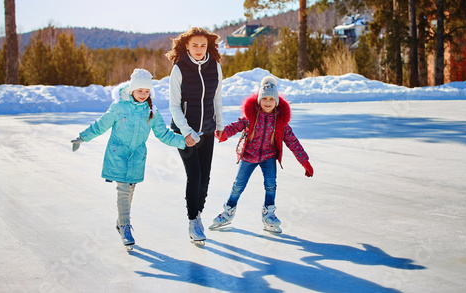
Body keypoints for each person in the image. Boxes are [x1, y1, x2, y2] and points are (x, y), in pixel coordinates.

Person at [70, 68, 186, 249]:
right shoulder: (119, 107)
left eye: (147, 91)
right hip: (118, 154)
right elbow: (101, 125)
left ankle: (121, 220)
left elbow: (163, 134)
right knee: (123, 189)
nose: (143, 94)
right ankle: (125, 226)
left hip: (137, 156)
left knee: (130, 189)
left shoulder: (151, 112)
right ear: (132, 89)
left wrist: (184, 142)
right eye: (140, 90)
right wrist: (83, 137)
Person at [210, 76, 314, 233]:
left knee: (271, 185)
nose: (268, 102)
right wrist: (223, 134)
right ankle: (228, 211)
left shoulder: (280, 121)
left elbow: (293, 142)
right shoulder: (251, 116)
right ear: (259, 99)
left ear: (276, 101)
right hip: (248, 156)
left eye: (271, 99)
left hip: (268, 157)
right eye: (264, 98)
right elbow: (236, 126)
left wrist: (304, 161)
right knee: (238, 185)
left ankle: (269, 214)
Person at [166, 27, 224, 244]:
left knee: (205, 177)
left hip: (207, 130)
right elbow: (173, 106)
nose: (199, 49)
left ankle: (198, 212)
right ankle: (193, 220)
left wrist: (220, 124)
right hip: (184, 133)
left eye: (203, 45)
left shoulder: (215, 66)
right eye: (194, 45)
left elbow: (216, 99)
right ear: (186, 46)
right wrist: (187, 132)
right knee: (195, 176)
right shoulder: (179, 68)